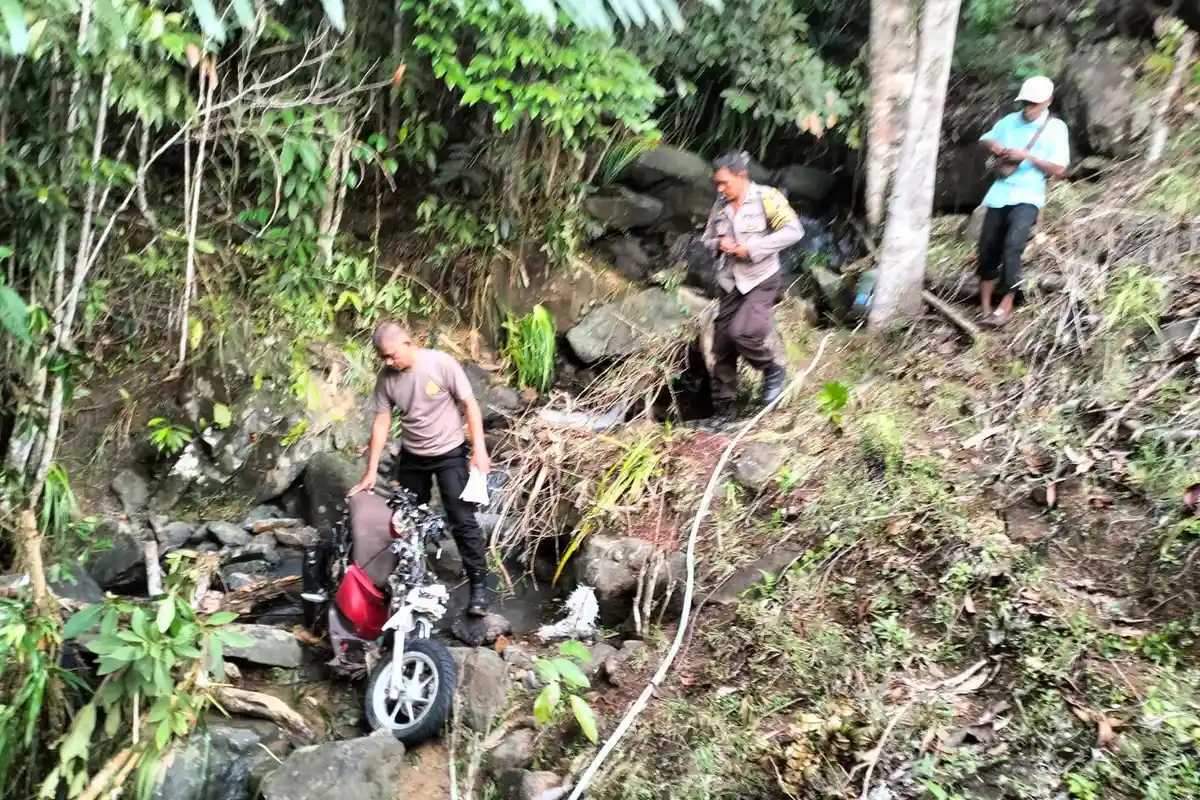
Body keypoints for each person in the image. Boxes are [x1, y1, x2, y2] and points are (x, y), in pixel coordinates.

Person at [348, 321, 493, 616]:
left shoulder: (441, 364)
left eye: (391, 355)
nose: (388, 362)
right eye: (382, 358)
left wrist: (479, 449)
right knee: (407, 522)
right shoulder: (387, 378)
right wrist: (371, 471)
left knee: (462, 519)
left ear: (408, 343)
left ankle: (478, 587)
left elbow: (470, 405)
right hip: (413, 456)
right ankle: (410, 583)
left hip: (450, 453)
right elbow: (381, 423)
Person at [701, 151, 804, 428]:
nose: (721, 189)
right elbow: (707, 239)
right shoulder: (720, 205)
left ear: (742, 176)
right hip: (730, 281)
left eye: (725, 183)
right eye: (717, 184)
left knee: (742, 332)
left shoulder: (767, 197)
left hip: (761, 277)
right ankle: (723, 413)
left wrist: (753, 249)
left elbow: (794, 231)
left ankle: (773, 369)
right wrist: (718, 244)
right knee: (722, 347)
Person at [977, 75, 1070, 328]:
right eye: (1025, 103)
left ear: (1048, 101)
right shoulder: (1009, 122)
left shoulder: (1055, 128)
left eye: (1033, 104)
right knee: (987, 248)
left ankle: (1005, 306)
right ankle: (985, 308)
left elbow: (1059, 169)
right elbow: (986, 137)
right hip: (998, 195)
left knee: (1013, 246)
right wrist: (995, 146)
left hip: (1028, 195)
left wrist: (1027, 156)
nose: (1028, 109)